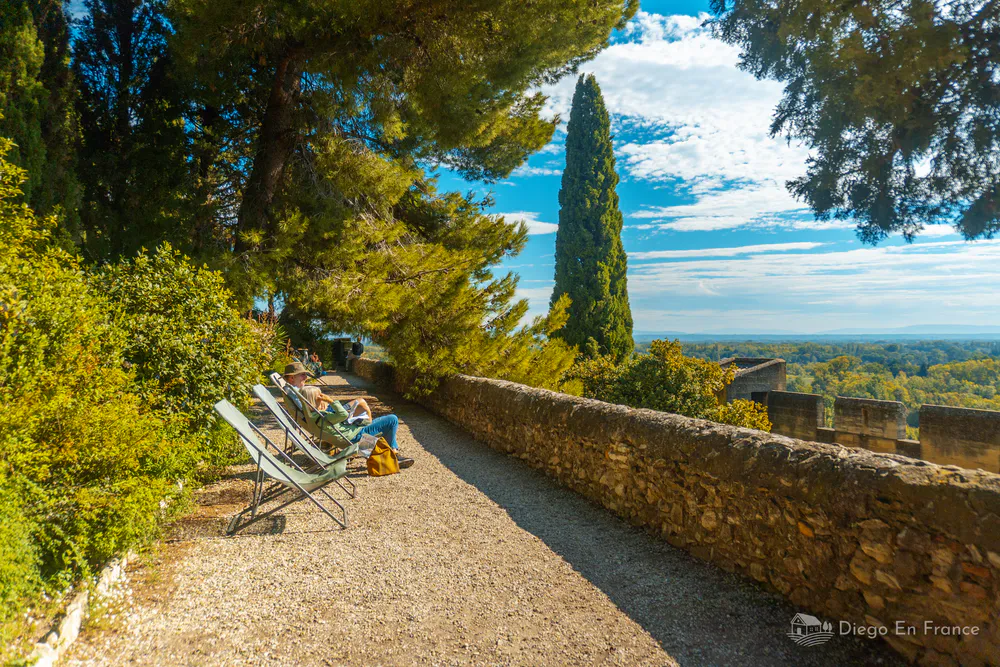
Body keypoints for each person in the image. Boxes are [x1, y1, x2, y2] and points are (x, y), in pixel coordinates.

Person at [282, 362, 414, 468]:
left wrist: (320, 406)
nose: (306, 377)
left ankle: (388, 453)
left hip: (342, 432)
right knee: (392, 419)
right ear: (292, 377)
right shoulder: (317, 414)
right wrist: (330, 402)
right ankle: (390, 455)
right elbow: (342, 414)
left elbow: (311, 411)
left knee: (370, 419)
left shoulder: (301, 402)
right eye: (302, 375)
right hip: (351, 437)